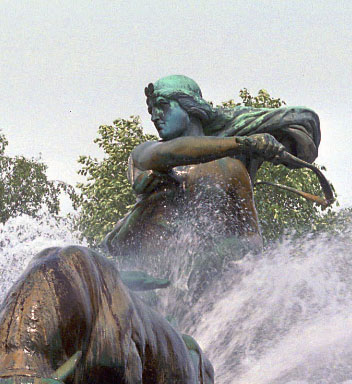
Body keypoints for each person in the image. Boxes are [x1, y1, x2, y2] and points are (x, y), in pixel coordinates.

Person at [102, 74, 322, 257]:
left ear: (191, 107)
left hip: (209, 287)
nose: (154, 116)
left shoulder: (231, 170)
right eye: (151, 110)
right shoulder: (144, 155)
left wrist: (218, 254)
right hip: (147, 288)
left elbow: (252, 240)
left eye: (162, 106)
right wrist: (244, 143)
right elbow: (171, 152)